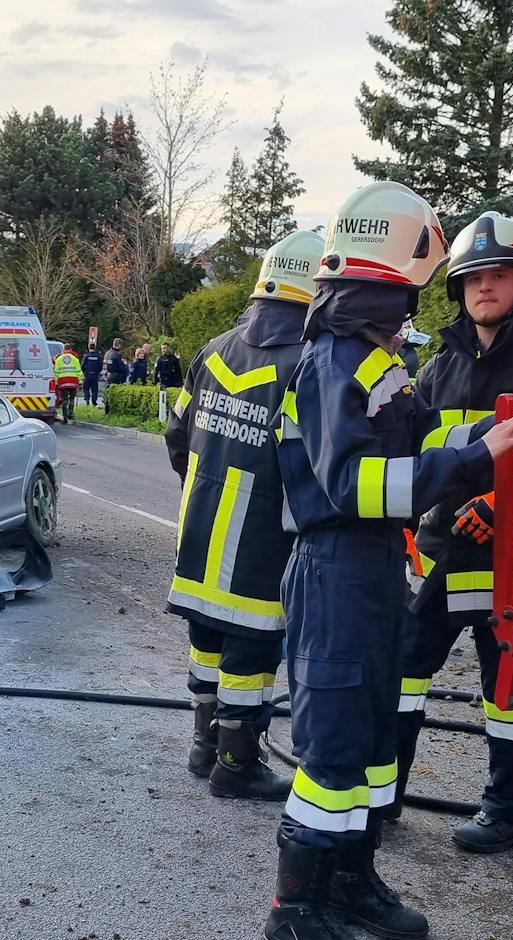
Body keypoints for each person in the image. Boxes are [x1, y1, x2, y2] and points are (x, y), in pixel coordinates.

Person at [264, 182, 513, 940]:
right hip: (339, 567)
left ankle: (349, 877)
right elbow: (355, 485)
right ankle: (294, 915)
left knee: (378, 738)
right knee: (336, 745)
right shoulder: (336, 362)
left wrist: (491, 428)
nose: (425, 294)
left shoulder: (376, 357)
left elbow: (421, 432)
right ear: (394, 272)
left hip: (377, 568)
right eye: (420, 278)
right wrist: (474, 460)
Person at [392, 212, 513, 853]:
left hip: (508, 558)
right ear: (456, 287)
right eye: (473, 276)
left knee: (507, 688)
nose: (486, 286)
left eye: (500, 274)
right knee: (400, 675)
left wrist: (494, 497)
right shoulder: (439, 364)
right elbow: (415, 442)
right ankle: (381, 795)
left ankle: (508, 813)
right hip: (438, 551)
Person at [165, 230, 324, 800]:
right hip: (260, 541)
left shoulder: (212, 350)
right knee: (251, 657)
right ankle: (236, 763)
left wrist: (204, 486)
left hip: (200, 531)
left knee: (205, 641)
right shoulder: (308, 364)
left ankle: (202, 746)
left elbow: (177, 434)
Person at [53, 341, 83, 422]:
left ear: (64, 349)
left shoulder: (59, 359)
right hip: (73, 382)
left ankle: (65, 418)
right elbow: (79, 371)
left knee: (64, 400)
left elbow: (56, 372)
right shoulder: (75, 359)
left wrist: (56, 383)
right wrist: (80, 382)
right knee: (72, 399)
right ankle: (70, 414)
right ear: (70, 349)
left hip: (63, 382)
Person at [81, 343, 104, 408]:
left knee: (86, 388)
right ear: (95, 348)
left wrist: (84, 372)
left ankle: (87, 399)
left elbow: (82, 366)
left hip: (87, 375)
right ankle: (94, 402)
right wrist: (98, 372)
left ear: (89, 348)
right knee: (94, 389)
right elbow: (100, 366)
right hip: (95, 375)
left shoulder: (86, 356)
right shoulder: (98, 356)